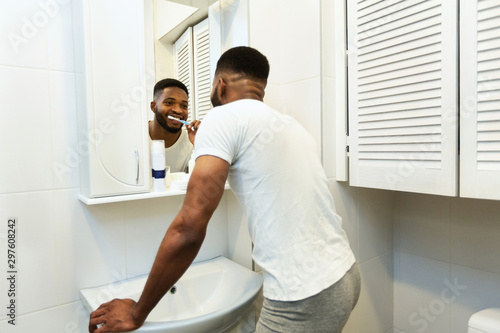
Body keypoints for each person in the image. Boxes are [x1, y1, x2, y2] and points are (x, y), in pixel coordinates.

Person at [89, 46, 360, 333]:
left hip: (304, 295)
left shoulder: (222, 118)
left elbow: (188, 229)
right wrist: (204, 145)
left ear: (221, 84)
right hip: (345, 273)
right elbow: (254, 177)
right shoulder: (291, 126)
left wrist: (136, 313)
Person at [149, 78, 200, 172]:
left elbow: (194, 182)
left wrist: (201, 145)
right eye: (169, 103)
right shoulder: (137, 138)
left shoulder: (191, 143)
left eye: (184, 105)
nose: (178, 110)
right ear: (153, 106)